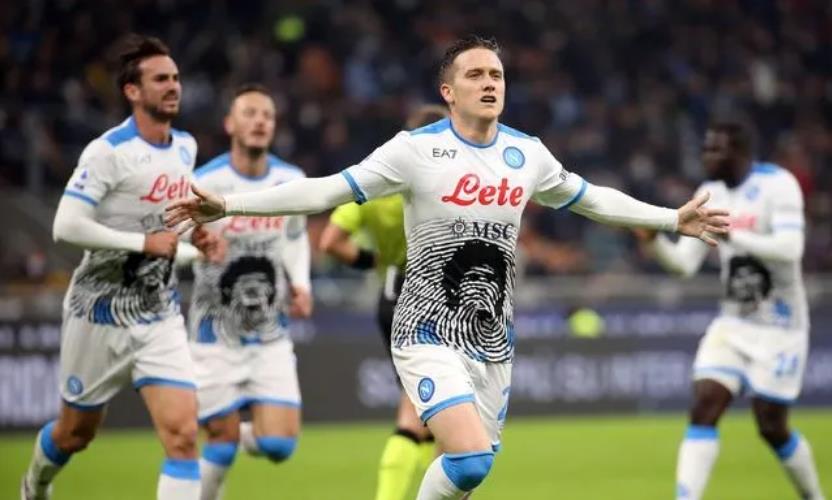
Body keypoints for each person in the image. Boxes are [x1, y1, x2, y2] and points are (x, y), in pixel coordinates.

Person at [166, 35, 729, 500]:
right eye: (475, 74)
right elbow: (326, 190)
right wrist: (229, 204)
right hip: (425, 329)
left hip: (492, 336)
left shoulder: (528, 154)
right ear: (448, 91)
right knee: (468, 459)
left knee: (471, 473)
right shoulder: (413, 150)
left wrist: (671, 219)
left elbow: (592, 198)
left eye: (497, 75)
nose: (489, 83)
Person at [21, 34, 220, 500]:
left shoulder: (185, 147)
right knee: (75, 434)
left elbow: (166, 225)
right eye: (160, 79)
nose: (173, 86)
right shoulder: (107, 151)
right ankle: (35, 483)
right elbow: (66, 225)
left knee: (183, 435)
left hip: (158, 313)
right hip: (98, 313)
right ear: (132, 90)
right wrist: (142, 243)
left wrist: (196, 237)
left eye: (175, 78)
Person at [635, 123, 825, 500]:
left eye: (715, 149)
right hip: (733, 322)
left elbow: (791, 249)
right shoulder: (710, 195)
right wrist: (654, 244)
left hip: (782, 325)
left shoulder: (777, 185)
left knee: (771, 425)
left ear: (740, 152)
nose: (706, 156)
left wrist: (733, 235)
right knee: (705, 404)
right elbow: (684, 265)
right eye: (706, 148)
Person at [187, 83, 312, 500]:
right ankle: (221, 439)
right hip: (214, 332)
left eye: (267, 115)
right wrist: (196, 246)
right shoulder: (204, 182)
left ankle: (232, 432)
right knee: (220, 445)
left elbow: (294, 238)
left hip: (270, 331)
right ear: (229, 124)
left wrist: (301, 282)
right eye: (250, 113)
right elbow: (176, 240)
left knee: (279, 445)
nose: (260, 121)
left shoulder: (290, 180)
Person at [319, 104, 448, 500]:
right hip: (439, 295)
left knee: (422, 404)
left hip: (393, 293)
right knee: (438, 411)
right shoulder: (449, 183)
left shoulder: (380, 183)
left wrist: (373, 261)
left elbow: (330, 242)